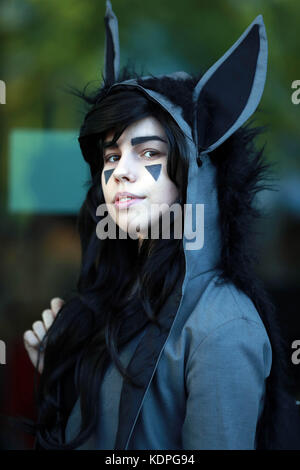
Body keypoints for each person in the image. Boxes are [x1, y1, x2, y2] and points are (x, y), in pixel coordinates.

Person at [22, 1, 300, 450]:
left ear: (196, 175)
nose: (121, 171)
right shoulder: (115, 300)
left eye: (149, 153)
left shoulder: (223, 327)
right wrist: (61, 377)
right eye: (111, 156)